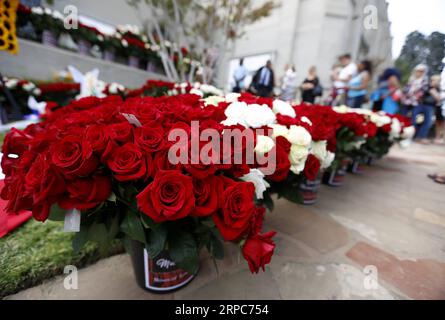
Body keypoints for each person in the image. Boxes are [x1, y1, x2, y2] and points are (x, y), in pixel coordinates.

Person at [412, 72, 441, 143]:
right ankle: (412, 136)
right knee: (416, 120)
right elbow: (436, 96)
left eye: (437, 80)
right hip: (421, 105)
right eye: (434, 80)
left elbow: (438, 98)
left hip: (430, 107)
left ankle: (421, 137)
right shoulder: (427, 86)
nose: (435, 82)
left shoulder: (438, 89)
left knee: (428, 122)